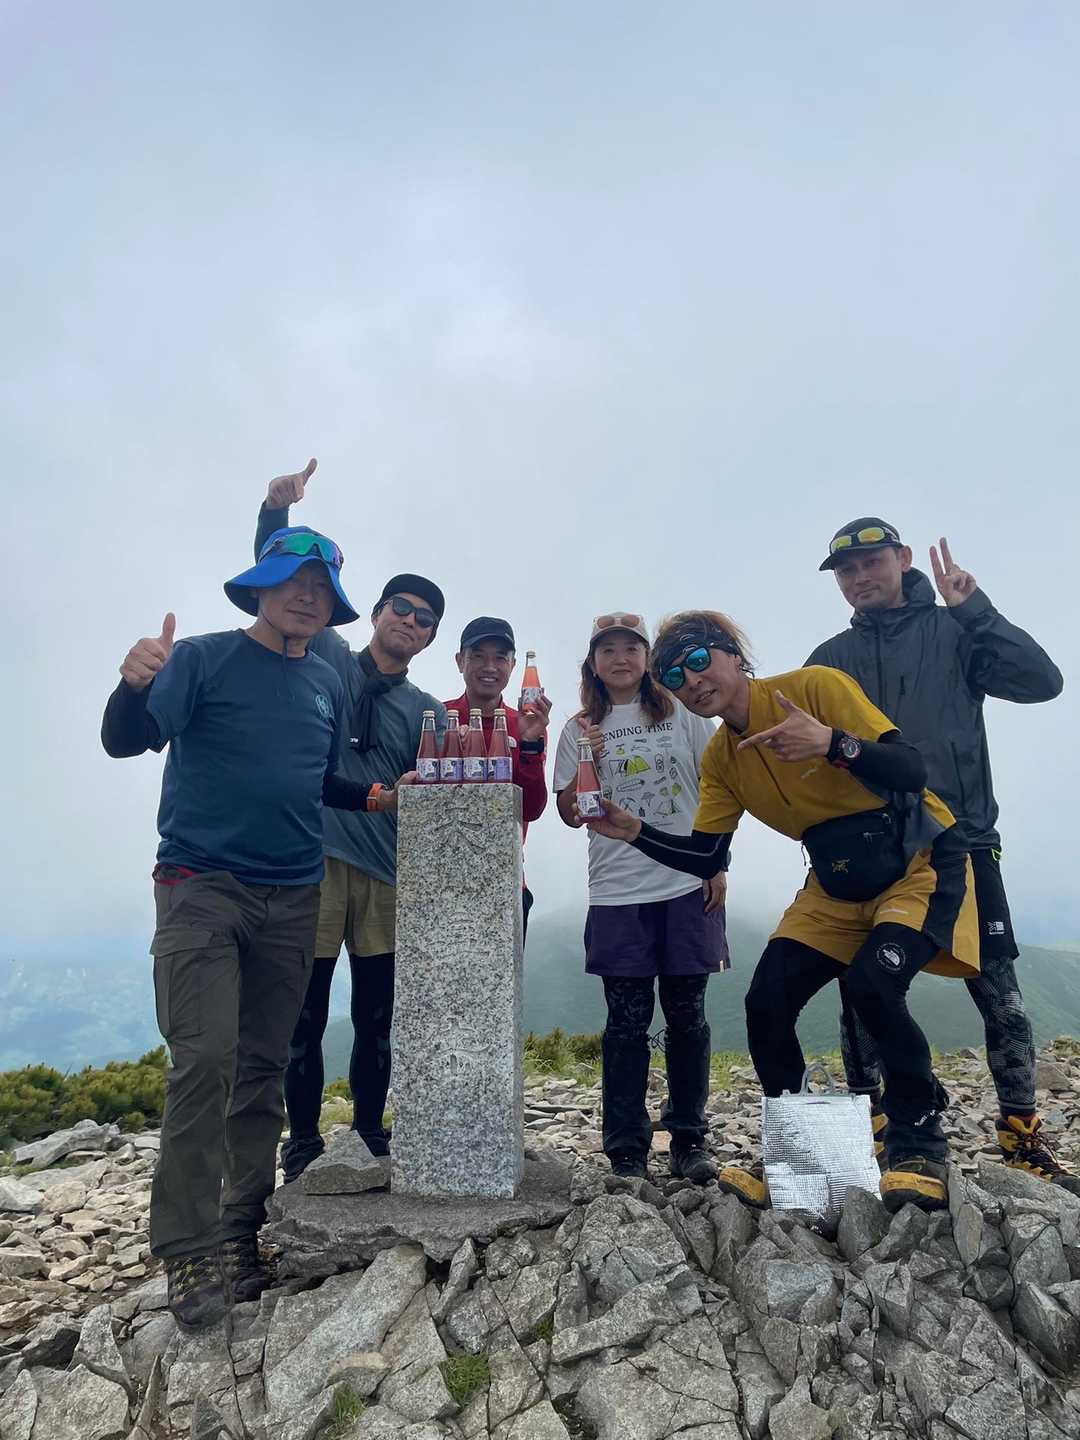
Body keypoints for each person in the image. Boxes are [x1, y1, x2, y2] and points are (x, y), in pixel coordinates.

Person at [101, 527, 402, 1327]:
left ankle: (240, 1228)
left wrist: (373, 796)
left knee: (264, 1067)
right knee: (205, 1060)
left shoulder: (324, 682)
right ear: (260, 587)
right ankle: (189, 1246)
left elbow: (313, 776)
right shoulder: (202, 658)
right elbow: (125, 740)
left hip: (294, 893)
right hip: (202, 886)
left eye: (321, 587)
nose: (306, 595)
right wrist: (131, 686)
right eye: (292, 579)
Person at [583, 610, 981, 1213]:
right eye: (674, 675)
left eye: (700, 659)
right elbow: (706, 856)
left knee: (873, 986)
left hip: (917, 861)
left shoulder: (815, 688)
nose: (692, 680)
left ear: (734, 655)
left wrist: (832, 744)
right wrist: (635, 831)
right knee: (766, 1003)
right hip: (833, 883)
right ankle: (800, 1153)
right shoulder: (722, 759)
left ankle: (918, 1143)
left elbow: (912, 769)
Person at [807, 519, 1073, 1192]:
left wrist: (975, 610)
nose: (859, 578)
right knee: (860, 993)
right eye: (846, 571)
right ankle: (874, 1126)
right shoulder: (828, 659)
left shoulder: (956, 631)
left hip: (962, 836)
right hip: (868, 846)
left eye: (871, 562)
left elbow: (1042, 682)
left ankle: (1021, 1133)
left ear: (902, 559)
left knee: (1000, 995)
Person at [254, 460, 446, 1180]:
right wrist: (275, 514)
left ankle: (368, 1131)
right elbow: (279, 588)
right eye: (401, 607)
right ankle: (303, 1140)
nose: (410, 621)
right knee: (302, 1011)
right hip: (312, 859)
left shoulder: (428, 711)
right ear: (376, 612)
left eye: (424, 618)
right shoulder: (329, 655)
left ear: (430, 638)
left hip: (386, 873)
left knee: (376, 1016)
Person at [553, 613, 729, 1185]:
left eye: (631, 647)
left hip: (685, 882)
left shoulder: (681, 711)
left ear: (648, 657)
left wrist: (717, 864)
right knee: (626, 1023)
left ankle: (688, 1139)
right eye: (607, 649)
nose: (620, 658)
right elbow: (569, 813)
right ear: (592, 663)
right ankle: (626, 1148)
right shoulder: (579, 728)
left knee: (688, 1017)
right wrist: (587, 760)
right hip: (616, 890)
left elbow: (718, 786)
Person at [444, 616, 551, 938]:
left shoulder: (527, 723)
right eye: (478, 656)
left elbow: (531, 808)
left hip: (508, 880)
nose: (489, 666)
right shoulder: (438, 718)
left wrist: (530, 744)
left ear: (513, 665)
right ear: (459, 661)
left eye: (500, 658)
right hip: (440, 879)